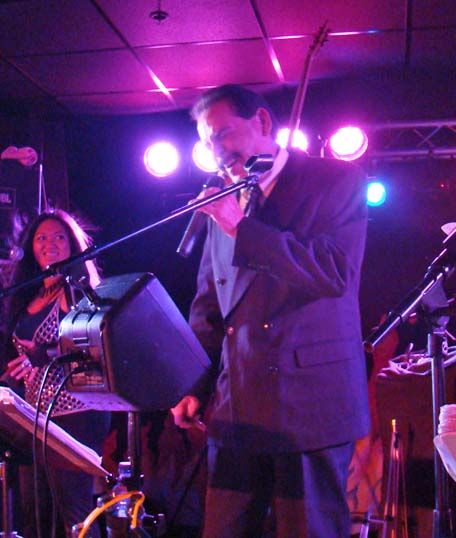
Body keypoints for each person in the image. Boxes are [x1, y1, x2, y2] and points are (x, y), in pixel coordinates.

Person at [170, 84, 370, 537]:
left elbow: (334, 272)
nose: (216, 151)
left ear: (261, 122)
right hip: (237, 405)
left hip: (309, 406)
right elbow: (210, 303)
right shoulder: (226, 199)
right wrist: (194, 383)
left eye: (222, 134)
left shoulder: (335, 179)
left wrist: (242, 229)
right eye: (206, 142)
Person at [1, 209, 110, 537]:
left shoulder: (76, 289)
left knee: (74, 509)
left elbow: (91, 342)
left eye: (60, 236)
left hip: (76, 412)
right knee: (34, 510)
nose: (51, 243)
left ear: (72, 244)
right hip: (34, 415)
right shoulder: (28, 294)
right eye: (42, 238)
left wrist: (43, 354)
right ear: (31, 248)